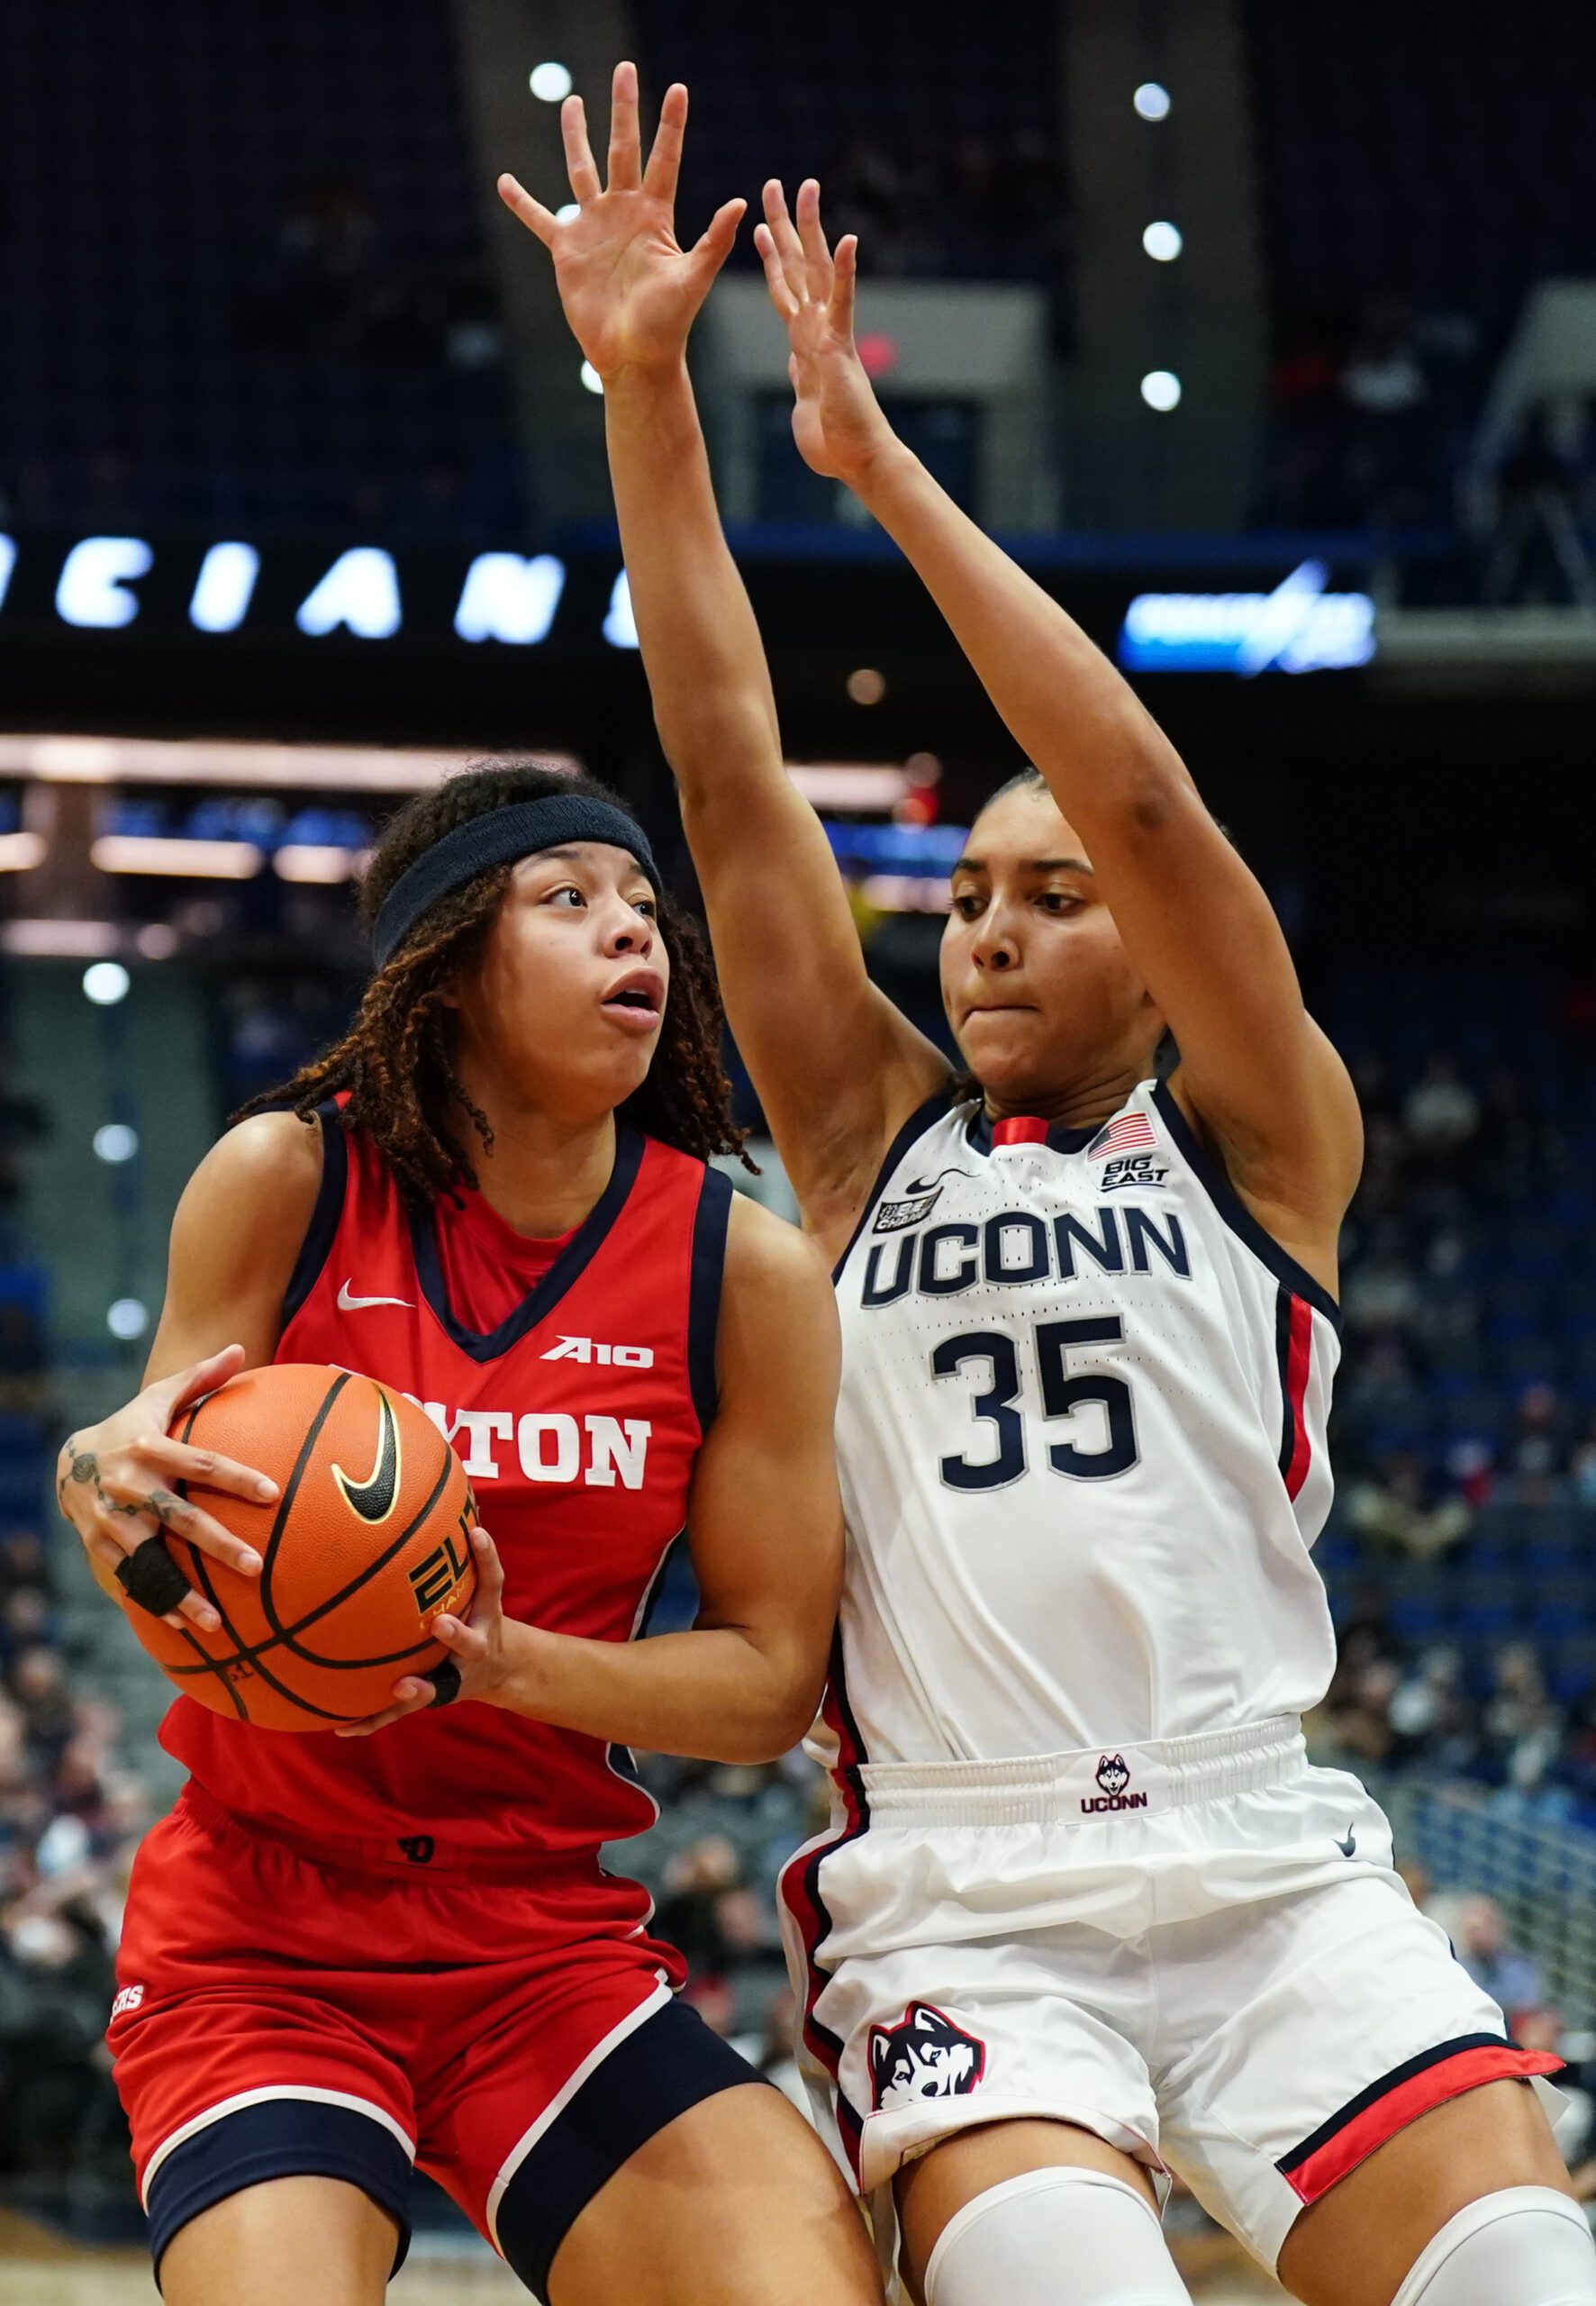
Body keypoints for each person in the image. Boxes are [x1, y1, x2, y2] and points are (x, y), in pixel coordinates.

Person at [502, 66, 1596, 2306]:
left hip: (1264, 1855)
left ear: (1153, 943)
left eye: (1049, 893)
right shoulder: (861, 1135)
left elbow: (1160, 803)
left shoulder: (1264, 1133)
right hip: (972, 1887)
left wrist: (882, 473)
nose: (986, 926)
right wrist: (647, 396)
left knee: (1515, 2274)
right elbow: (722, 767)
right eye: (968, 891)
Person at [55, 759, 882, 2306]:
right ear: (440, 967)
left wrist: (506, 1671)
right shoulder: (285, 1177)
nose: (634, 936)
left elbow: (772, 1680)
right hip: (264, 1928)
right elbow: (152, 1526)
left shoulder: (741, 1272)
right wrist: (91, 1478)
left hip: (540, 1940)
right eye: (569, 902)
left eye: (646, 908)